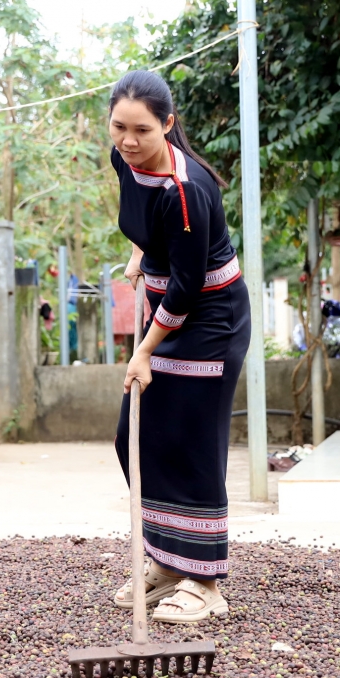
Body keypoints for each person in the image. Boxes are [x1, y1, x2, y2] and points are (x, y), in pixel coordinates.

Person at [107, 70, 251, 624]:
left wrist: (143, 350)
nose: (128, 140)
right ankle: (167, 562)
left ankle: (206, 581)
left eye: (142, 130)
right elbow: (149, 225)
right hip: (172, 309)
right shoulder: (127, 160)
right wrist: (146, 253)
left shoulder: (187, 192)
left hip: (209, 319)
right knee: (134, 437)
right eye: (119, 127)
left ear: (168, 125)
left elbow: (190, 289)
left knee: (191, 443)